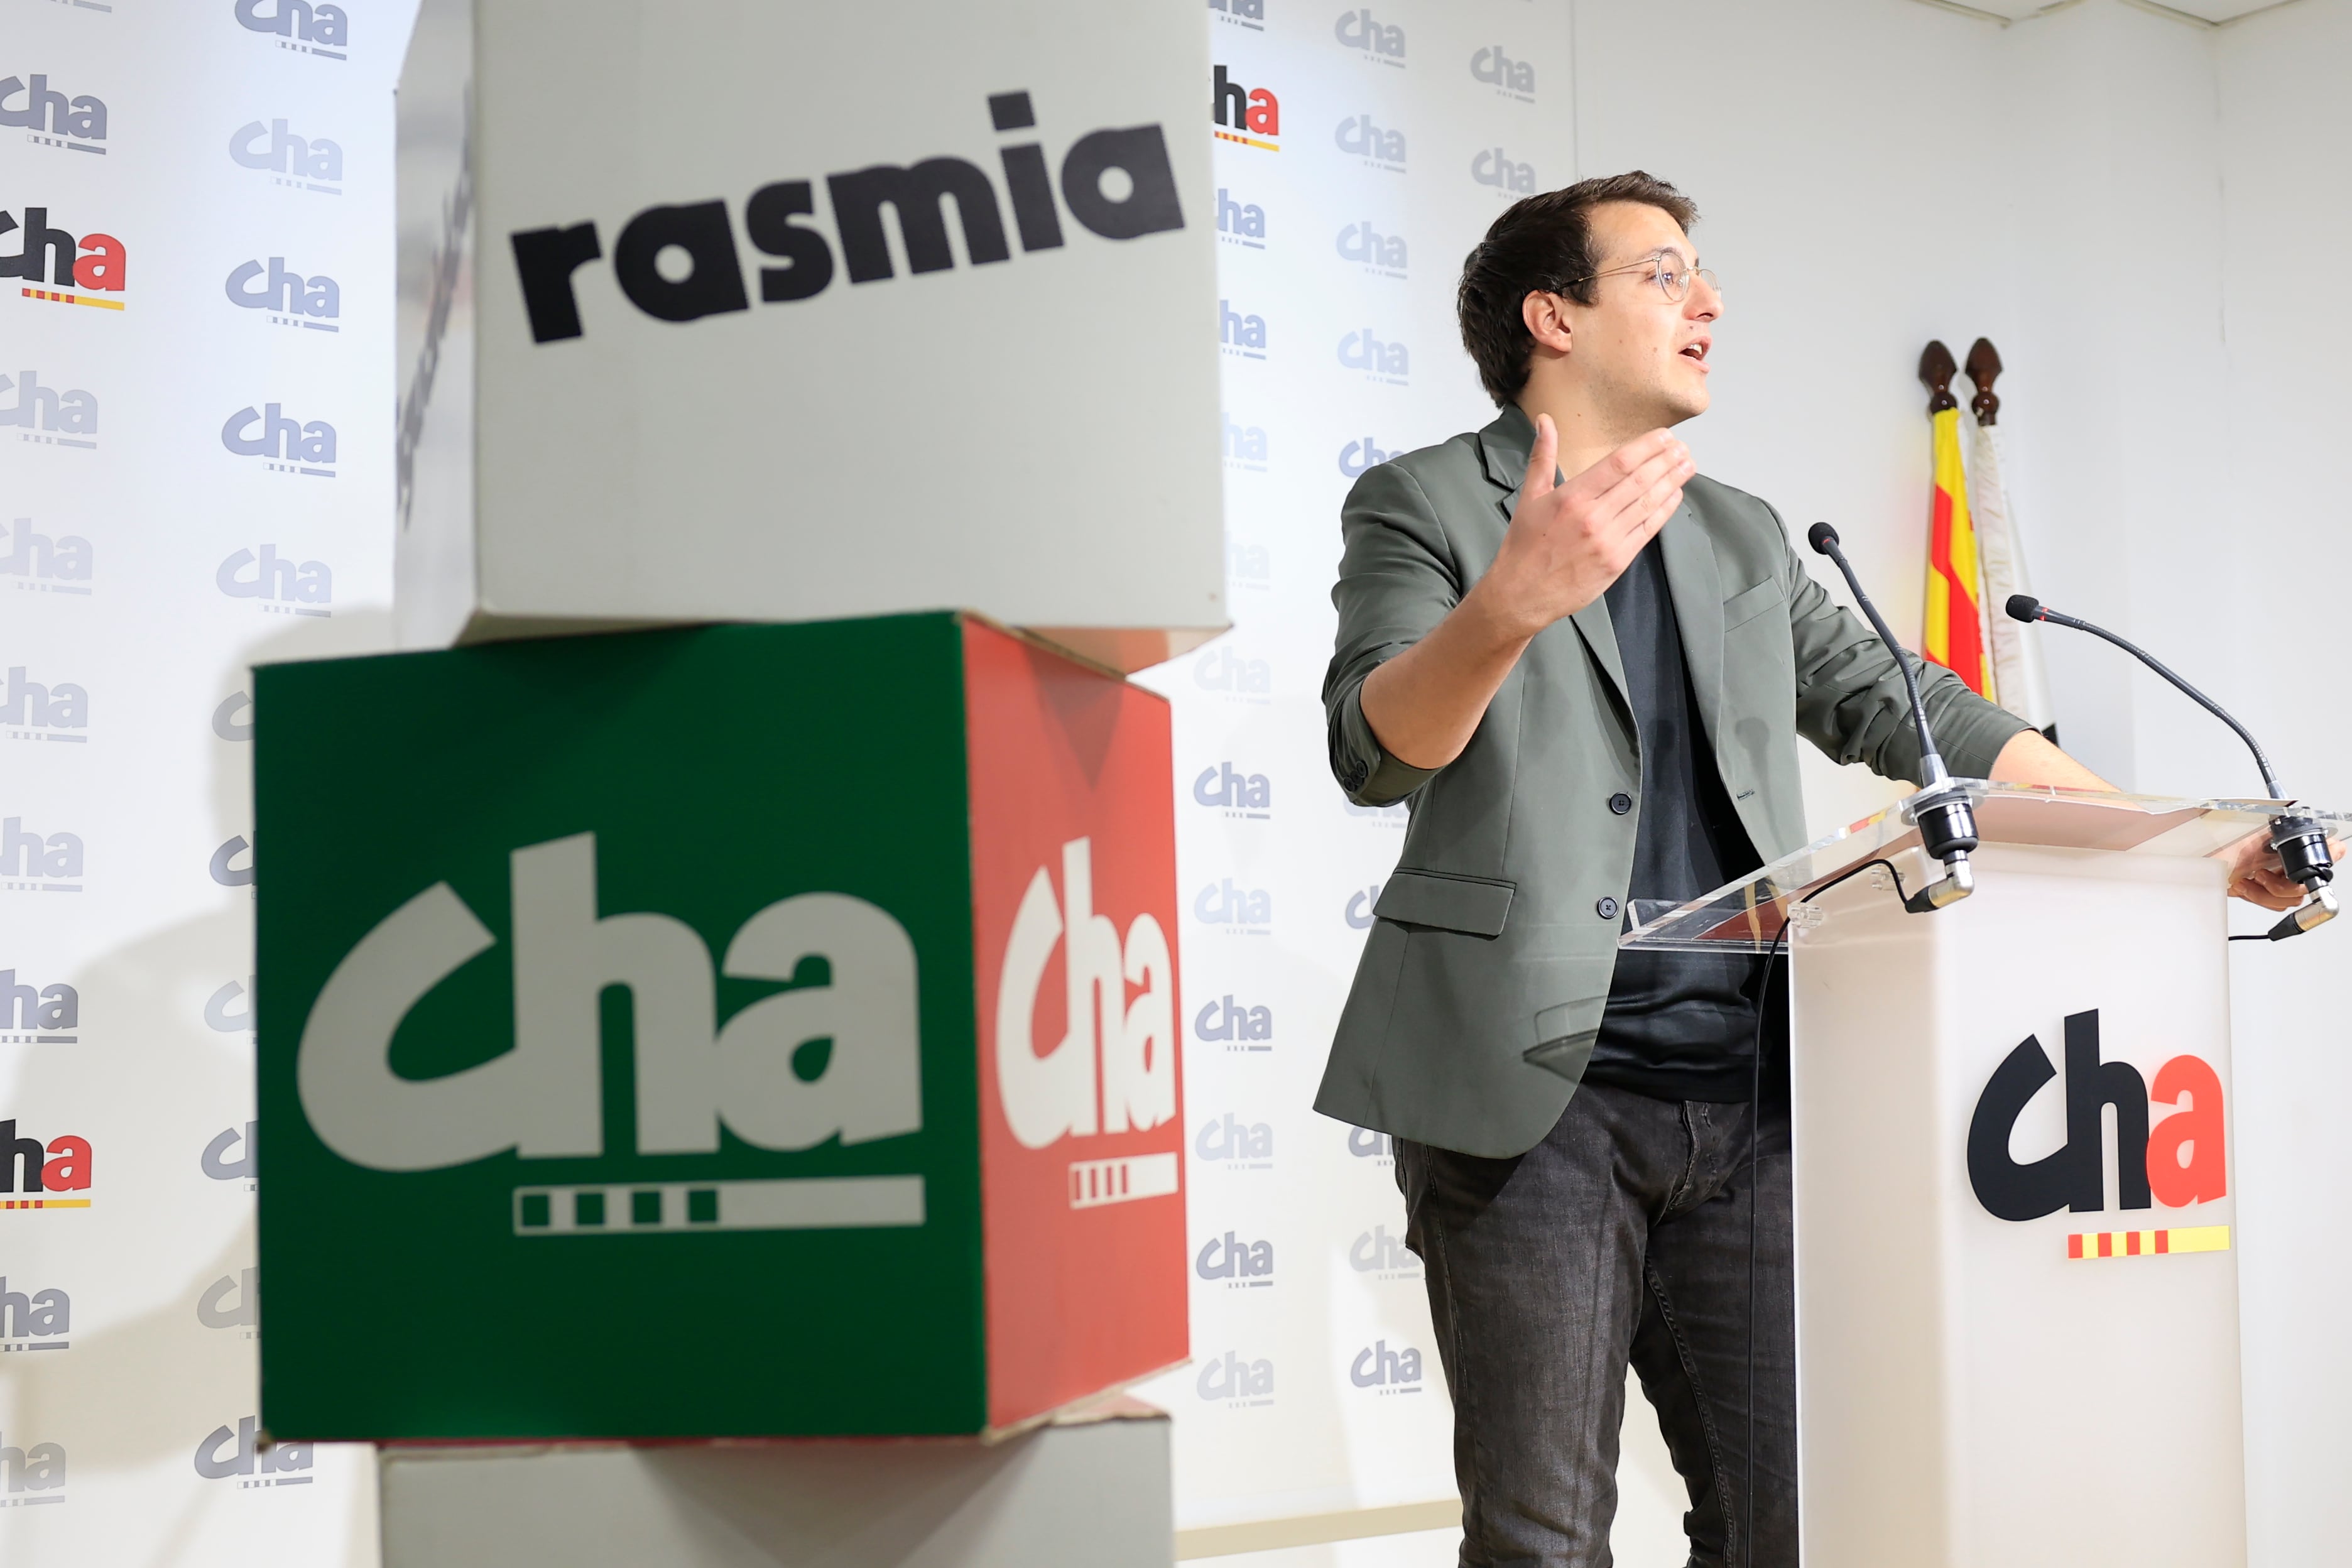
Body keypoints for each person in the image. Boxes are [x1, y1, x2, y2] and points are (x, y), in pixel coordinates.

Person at [1315, 172, 2307, 1568]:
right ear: (1554, 315)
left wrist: (2182, 844)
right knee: (1545, 1540)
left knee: (1792, 1522)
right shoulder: (1423, 502)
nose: (1707, 300)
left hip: (1753, 1100)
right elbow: (1377, 749)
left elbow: (1917, 712)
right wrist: (1509, 607)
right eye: (1663, 274)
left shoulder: (1737, 533)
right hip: (1532, 1098)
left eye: (1700, 274)